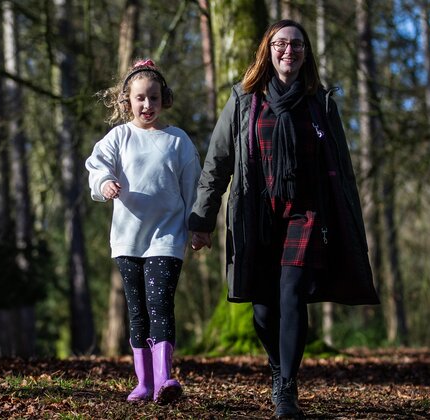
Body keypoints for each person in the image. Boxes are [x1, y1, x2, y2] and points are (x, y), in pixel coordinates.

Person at [189, 20, 380, 418]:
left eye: (296, 44)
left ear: (305, 53)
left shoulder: (320, 104)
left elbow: (341, 170)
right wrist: (201, 219)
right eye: (281, 44)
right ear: (267, 50)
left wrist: (347, 223)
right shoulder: (244, 99)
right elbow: (218, 161)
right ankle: (276, 368)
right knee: (262, 308)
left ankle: (287, 388)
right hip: (257, 213)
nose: (288, 51)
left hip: (306, 212)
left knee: (292, 293)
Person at [85, 59, 200, 405]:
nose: (146, 105)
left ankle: (165, 379)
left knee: (160, 304)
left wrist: (198, 227)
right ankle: (144, 383)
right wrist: (105, 183)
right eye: (139, 98)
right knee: (137, 310)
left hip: (167, 238)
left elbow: (193, 189)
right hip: (127, 239)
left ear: (164, 99)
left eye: (153, 97)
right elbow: (97, 165)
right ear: (127, 102)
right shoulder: (119, 137)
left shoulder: (178, 141)